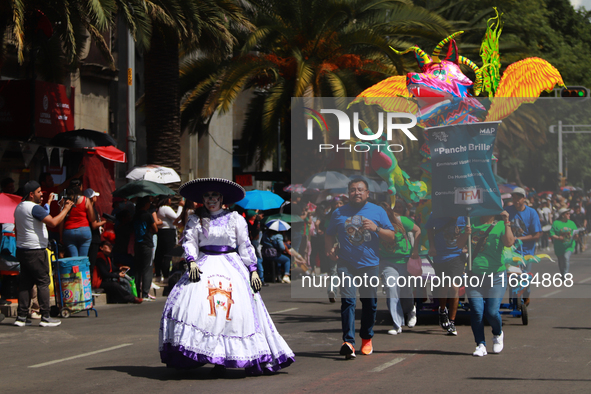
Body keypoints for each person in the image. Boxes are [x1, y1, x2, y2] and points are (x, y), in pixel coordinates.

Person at [159, 178, 295, 376]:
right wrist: (191, 260)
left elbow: (245, 245)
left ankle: (223, 360)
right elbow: (189, 241)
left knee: (233, 313)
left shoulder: (235, 219)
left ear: (222, 198)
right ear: (202, 199)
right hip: (204, 265)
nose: (211, 199)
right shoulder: (196, 220)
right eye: (207, 195)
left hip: (232, 267)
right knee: (194, 308)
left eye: (215, 195)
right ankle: (205, 352)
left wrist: (253, 270)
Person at [325, 179, 395, 359]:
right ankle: (348, 342)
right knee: (348, 301)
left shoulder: (377, 211)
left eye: (360, 190)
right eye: (353, 190)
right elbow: (329, 233)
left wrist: (376, 228)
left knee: (369, 304)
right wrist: (330, 248)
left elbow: (392, 236)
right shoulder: (338, 212)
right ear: (348, 193)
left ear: (367, 193)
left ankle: (366, 338)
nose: (357, 193)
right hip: (346, 263)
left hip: (369, 265)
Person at [13, 180, 74, 327]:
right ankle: (45, 316)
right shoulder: (34, 208)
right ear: (31, 194)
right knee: (43, 282)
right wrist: (65, 209)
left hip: (23, 249)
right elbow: (52, 222)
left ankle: (21, 317)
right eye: (39, 192)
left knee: (26, 283)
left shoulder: (19, 207)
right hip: (35, 251)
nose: (41, 195)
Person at [457, 211, 515, 357]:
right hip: (474, 274)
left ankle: (497, 333)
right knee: (476, 311)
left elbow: (509, 242)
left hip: (496, 275)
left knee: (491, 312)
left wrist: (507, 221)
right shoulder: (472, 221)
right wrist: (466, 233)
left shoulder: (501, 224)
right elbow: (458, 245)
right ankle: (480, 344)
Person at [380, 202, 421, 336]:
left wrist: (415, 250)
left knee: (406, 291)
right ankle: (397, 324)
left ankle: (410, 311)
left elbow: (417, 230)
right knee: (392, 289)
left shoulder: (401, 221)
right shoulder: (375, 225)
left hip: (404, 261)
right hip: (387, 262)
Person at [427, 214, 466, 336]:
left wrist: (466, 244)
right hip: (440, 256)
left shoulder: (463, 215)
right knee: (443, 288)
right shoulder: (435, 213)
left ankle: (452, 321)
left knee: (454, 286)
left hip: (456, 256)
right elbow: (429, 229)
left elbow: (468, 231)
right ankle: (442, 310)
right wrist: (432, 246)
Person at [505, 187, 541, 306]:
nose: (516, 200)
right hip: (510, 252)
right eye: (514, 197)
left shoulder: (531, 213)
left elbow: (537, 234)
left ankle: (526, 296)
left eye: (519, 198)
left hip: (526, 252)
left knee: (524, 278)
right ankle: (513, 301)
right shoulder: (507, 211)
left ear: (524, 199)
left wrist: (519, 239)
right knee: (511, 276)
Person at [60, 180, 95, 257]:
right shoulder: (86, 200)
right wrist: (91, 204)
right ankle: (82, 269)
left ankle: (75, 268)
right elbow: (92, 219)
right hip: (84, 230)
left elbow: (61, 219)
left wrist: (60, 235)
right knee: (83, 257)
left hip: (69, 231)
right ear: (80, 187)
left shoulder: (65, 200)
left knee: (73, 258)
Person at [133, 196, 158, 301]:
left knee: (138, 269)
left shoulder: (135, 215)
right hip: (147, 243)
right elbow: (155, 229)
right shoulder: (147, 215)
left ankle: (138, 292)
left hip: (137, 243)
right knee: (147, 268)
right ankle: (145, 293)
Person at [154, 196, 183, 283]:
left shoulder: (159, 209)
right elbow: (176, 217)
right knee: (167, 254)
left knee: (160, 254)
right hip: (168, 232)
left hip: (162, 232)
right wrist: (181, 206)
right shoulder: (165, 208)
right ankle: (166, 275)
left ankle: (158, 274)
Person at [84, 188, 107, 274]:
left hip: (93, 238)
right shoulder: (91, 210)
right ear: (92, 198)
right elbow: (94, 225)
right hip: (93, 239)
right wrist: (105, 222)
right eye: (94, 196)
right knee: (91, 262)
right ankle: (89, 284)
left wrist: (100, 227)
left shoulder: (92, 209)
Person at [550, 208, 577, 278]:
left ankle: (565, 275)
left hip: (569, 246)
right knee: (561, 261)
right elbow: (551, 234)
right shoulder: (556, 223)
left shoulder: (571, 223)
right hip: (559, 246)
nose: (569, 215)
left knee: (566, 258)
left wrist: (576, 236)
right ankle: (562, 274)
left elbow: (575, 233)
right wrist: (558, 237)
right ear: (562, 215)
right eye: (567, 214)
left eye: (569, 213)